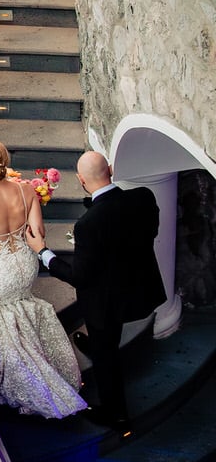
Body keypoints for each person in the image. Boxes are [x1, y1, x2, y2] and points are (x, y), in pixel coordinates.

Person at [32, 150, 165, 429]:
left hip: (106, 303)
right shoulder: (143, 198)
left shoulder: (88, 225)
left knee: (106, 356)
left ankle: (116, 413)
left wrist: (43, 253)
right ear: (111, 170)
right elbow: (149, 232)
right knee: (104, 340)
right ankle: (95, 345)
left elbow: (78, 276)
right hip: (137, 287)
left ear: (81, 180)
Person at [0, 139, 87, 418]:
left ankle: (27, 376)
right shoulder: (27, 190)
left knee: (2, 311)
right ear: (5, 160)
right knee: (24, 303)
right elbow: (38, 233)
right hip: (26, 265)